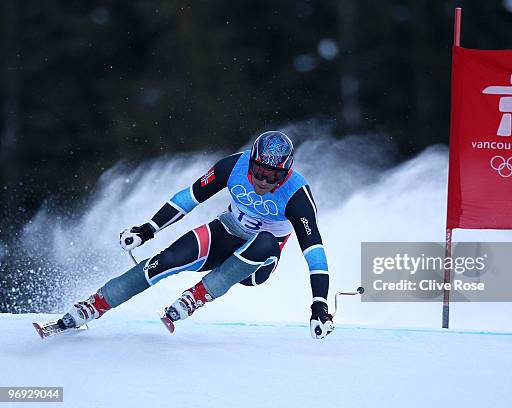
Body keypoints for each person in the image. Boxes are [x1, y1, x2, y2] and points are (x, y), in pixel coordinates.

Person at [58, 131, 334, 339]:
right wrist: (147, 230)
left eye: (273, 176)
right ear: (251, 162)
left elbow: (315, 253)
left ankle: (199, 294)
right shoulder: (233, 167)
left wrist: (319, 305)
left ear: (285, 174)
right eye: (259, 172)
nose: (263, 181)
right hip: (227, 231)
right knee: (166, 260)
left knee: (265, 239)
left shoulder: (297, 195)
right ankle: (95, 304)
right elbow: (189, 198)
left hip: (257, 262)